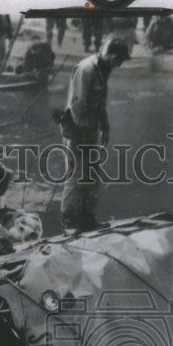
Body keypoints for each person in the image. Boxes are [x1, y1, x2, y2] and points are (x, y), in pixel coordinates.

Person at [58, 38, 130, 232]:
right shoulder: (87, 69)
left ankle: (88, 219)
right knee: (77, 175)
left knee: (91, 175)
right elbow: (78, 104)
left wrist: (104, 124)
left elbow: (99, 101)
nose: (120, 65)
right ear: (112, 56)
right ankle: (70, 221)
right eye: (119, 60)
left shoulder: (102, 70)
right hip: (77, 132)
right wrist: (83, 135)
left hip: (90, 131)